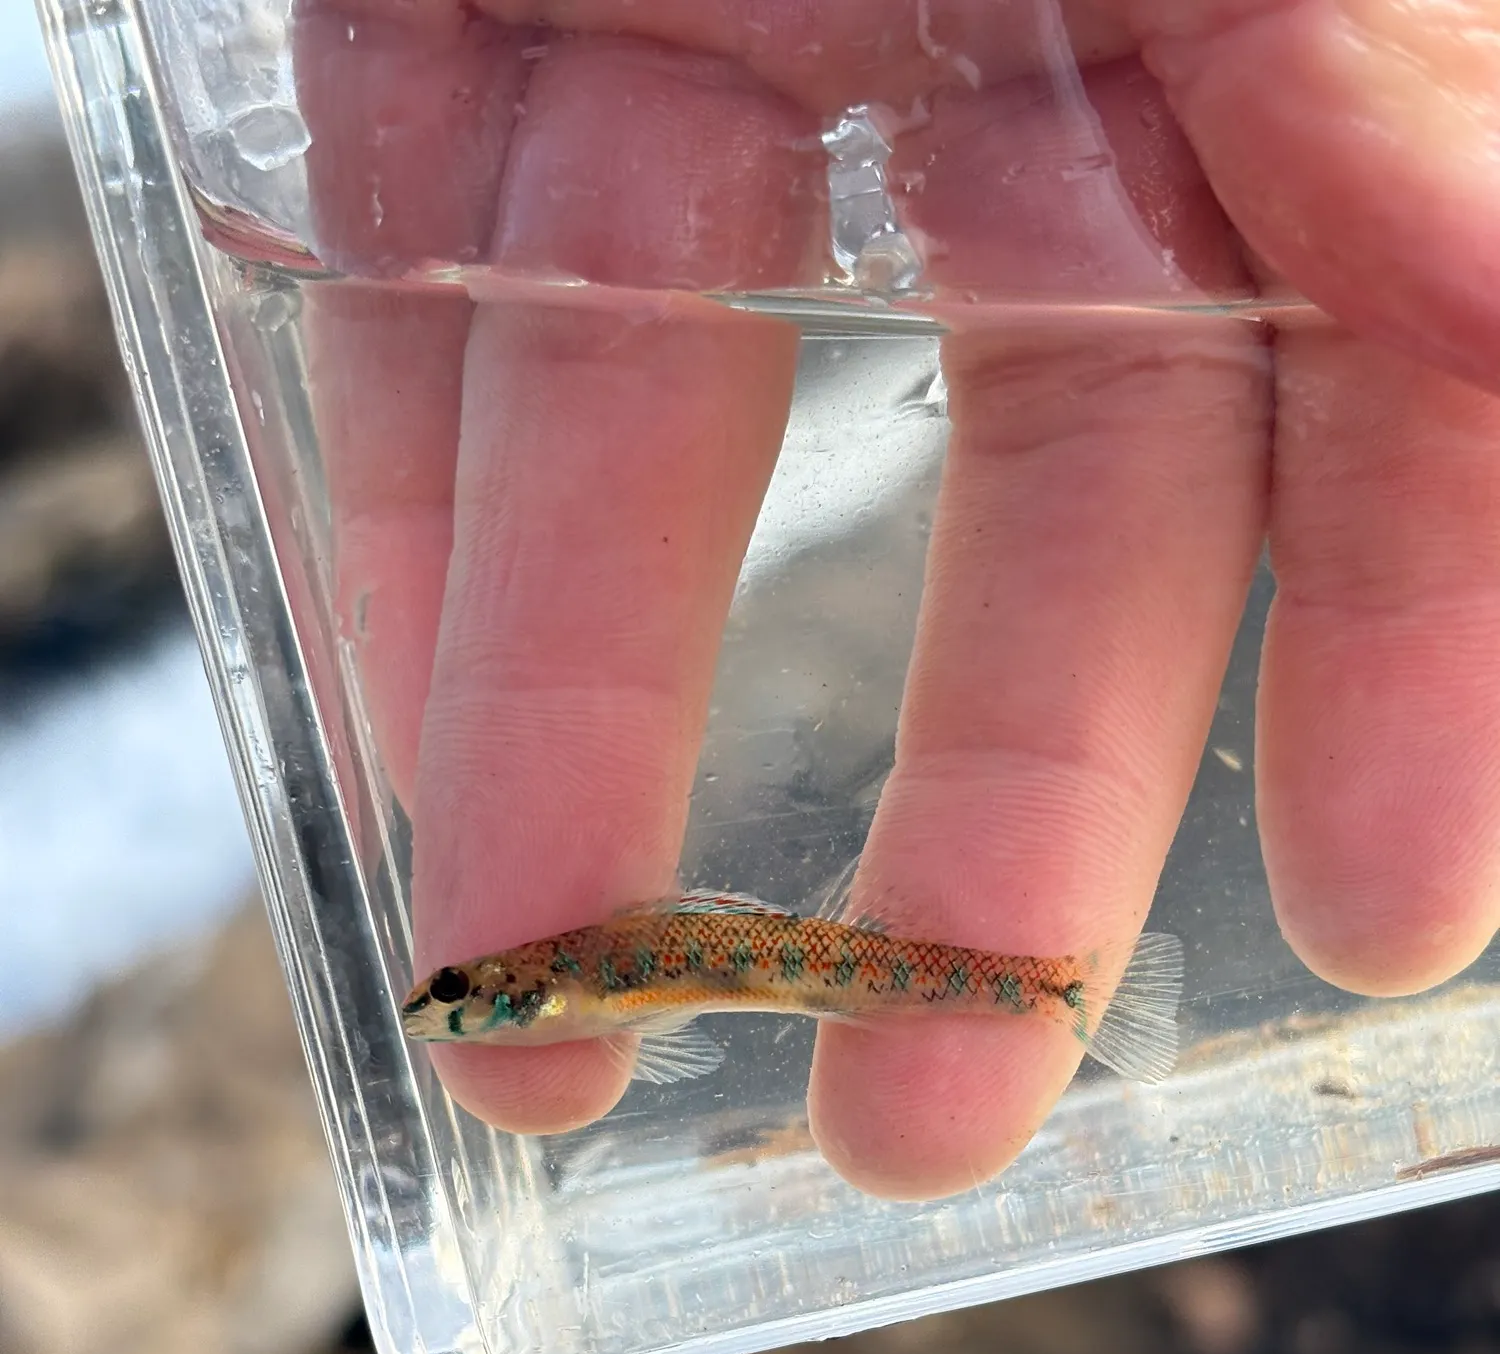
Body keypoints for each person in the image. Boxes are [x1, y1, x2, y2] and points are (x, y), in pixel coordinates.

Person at [291, 0, 1500, 1201]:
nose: (451, 1009)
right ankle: (1050, 991)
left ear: (517, 994)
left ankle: (1057, 991)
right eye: (458, 1003)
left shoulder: (562, 977)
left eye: (459, 1002)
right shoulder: (573, 977)